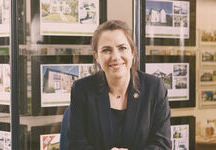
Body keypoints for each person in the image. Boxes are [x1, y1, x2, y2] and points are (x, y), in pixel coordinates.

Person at [68, 20, 172, 150]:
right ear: (96, 56)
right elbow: (76, 145)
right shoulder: (82, 89)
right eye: (106, 50)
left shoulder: (155, 88)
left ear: (132, 52)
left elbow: (162, 145)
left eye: (122, 48)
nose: (116, 57)